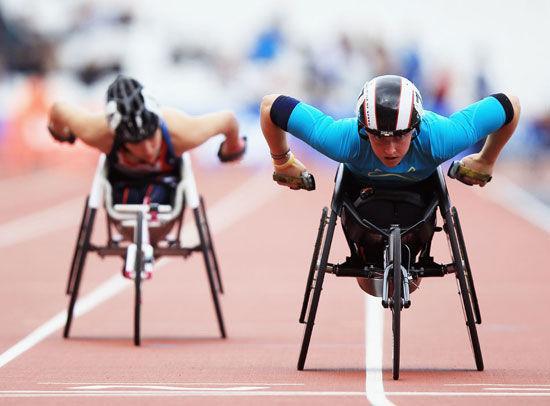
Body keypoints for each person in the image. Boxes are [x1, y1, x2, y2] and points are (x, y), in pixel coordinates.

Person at [260, 74, 520, 285]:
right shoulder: (342, 140)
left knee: (404, 283)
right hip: (362, 206)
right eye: (379, 137)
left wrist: (487, 159)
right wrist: (281, 161)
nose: (391, 149)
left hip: (418, 207)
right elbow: (270, 106)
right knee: (370, 282)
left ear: (416, 129)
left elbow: (512, 104)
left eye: (400, 136)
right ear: (363, 130)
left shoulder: (441, 138)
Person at [48, 74, 247, 205]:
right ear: (118, 136)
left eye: (151, 138)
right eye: (136, 143)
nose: (147, 149)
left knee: (157, 198)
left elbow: (228, 120)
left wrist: (233, 148)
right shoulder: (97, 132)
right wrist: (61, 133)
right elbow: (58, 110)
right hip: (122, 191)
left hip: (166, 190)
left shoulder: (181, 130)